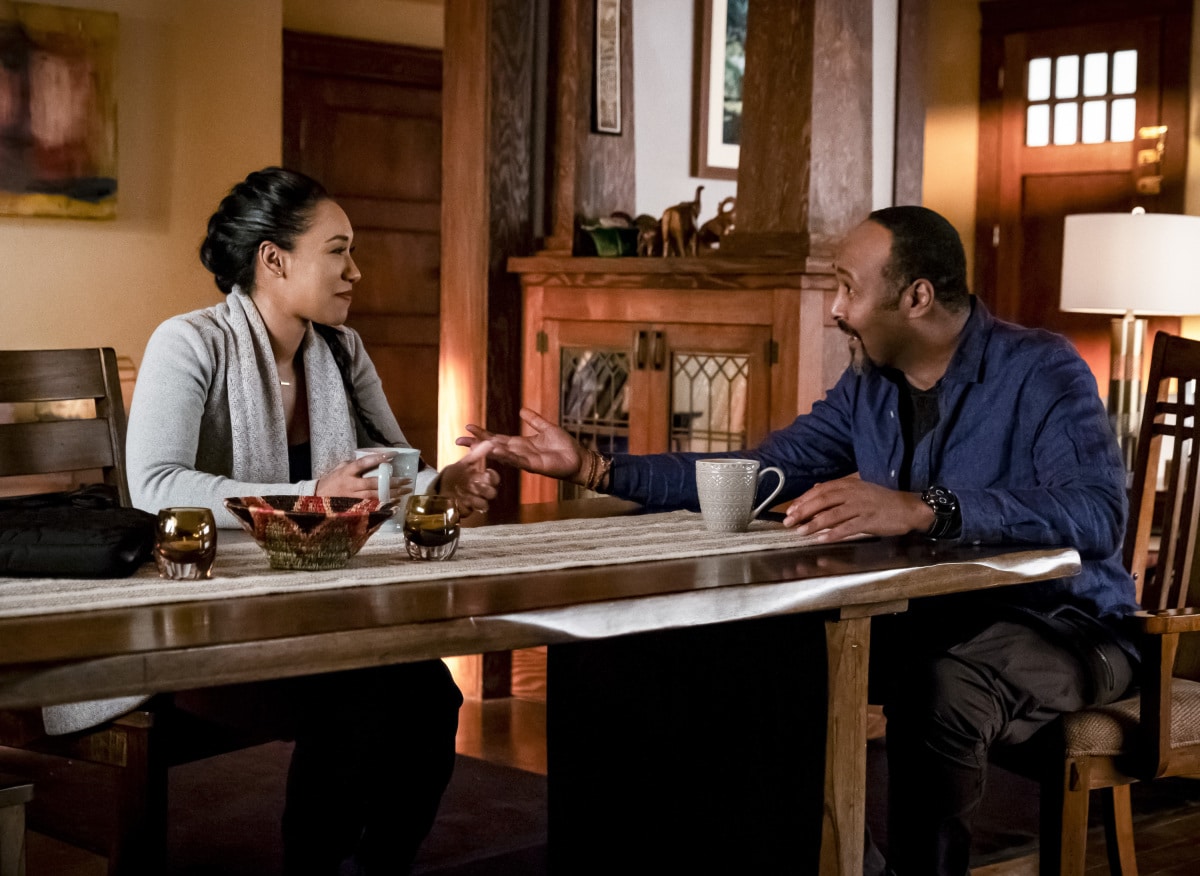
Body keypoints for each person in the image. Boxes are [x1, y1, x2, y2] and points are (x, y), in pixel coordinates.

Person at [460, 205, 1140, 876]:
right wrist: (595, 467)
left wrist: (921, 508)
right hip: (929, 612)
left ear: (917, 297)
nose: (835, 309)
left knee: (942, 690)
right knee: (744, 645)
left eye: (848, 288)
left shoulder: (1041, 368)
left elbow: (1097, 514)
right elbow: (758, 472)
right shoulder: (868, 385)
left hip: (1067, 627)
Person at [91, 166, 495, 875]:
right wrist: (311, 495)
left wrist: (441, 485)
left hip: (319, 603)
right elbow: (154, 487)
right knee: (364, 694)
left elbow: (387, 470)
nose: (356, 272)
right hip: (206, 616)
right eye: (338, 251)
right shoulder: (189, 342)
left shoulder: (341, 348)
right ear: (273, 260)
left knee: (430, 694)